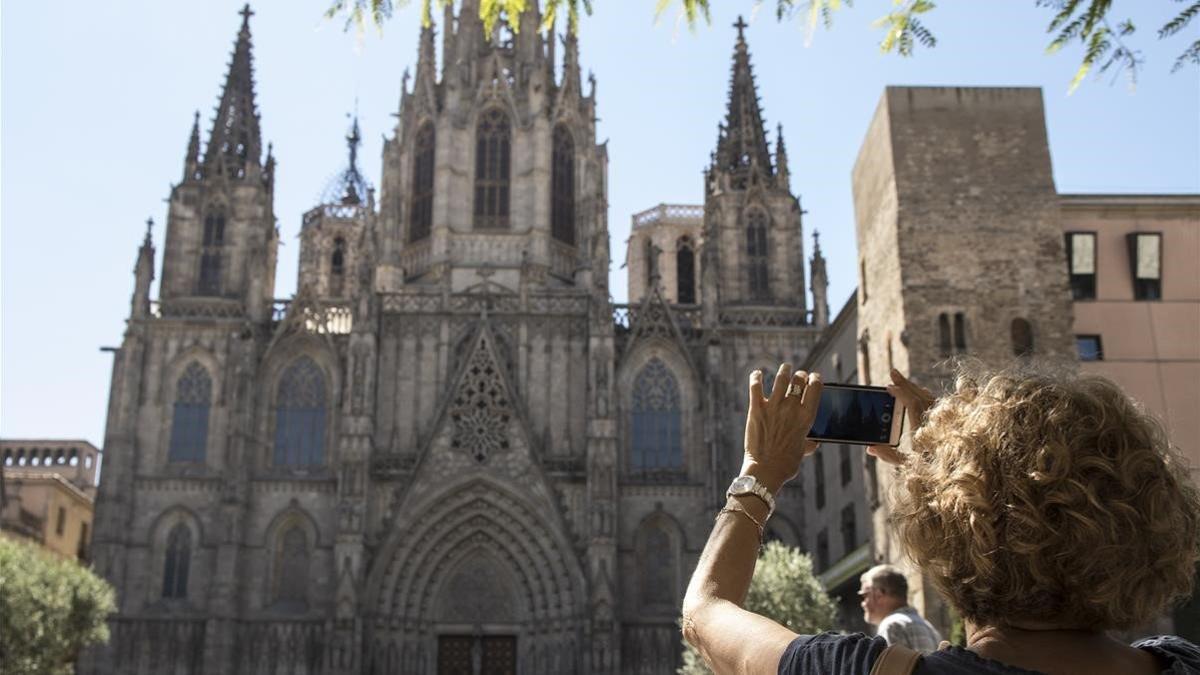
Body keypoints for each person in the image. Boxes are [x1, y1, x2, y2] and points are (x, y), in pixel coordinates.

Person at [681, 362, 1200, 674]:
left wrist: (760, 473)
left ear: (942, 531)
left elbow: (705, 613)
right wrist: (944, 473)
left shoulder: (867, 671)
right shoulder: (1182, 661)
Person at [858, 564, 942, 652]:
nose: (863, 604)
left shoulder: (891, 626)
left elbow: (890, 666)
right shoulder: (930, 628)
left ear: (879, 594)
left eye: (865, 595)